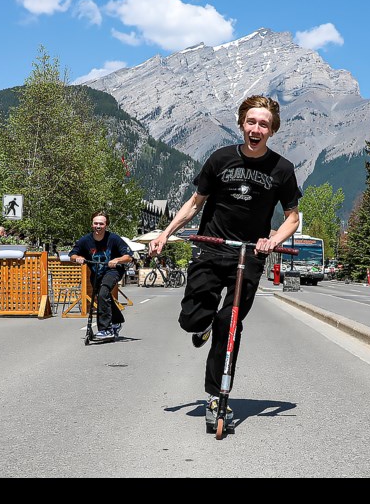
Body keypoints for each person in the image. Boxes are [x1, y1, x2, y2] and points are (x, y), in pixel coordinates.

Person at [148, 94, 301, 429]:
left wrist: (273, 240)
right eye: (251, 122)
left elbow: (293, 218)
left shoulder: (282, 170)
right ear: (241, 124)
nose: (256, 128)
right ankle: (199, 325)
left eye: (263, 123)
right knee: (191, 319)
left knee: (229, 324)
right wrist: (165, 233)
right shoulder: (220, 159)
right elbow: (195, 202)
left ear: (271, 129)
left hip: (249, 255)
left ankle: (218, 396)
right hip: (210, 247)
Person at [69, 210, 133, 341]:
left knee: (104, 292)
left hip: (113, 271)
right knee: (102, 296)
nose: (98, 226)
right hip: (96, 272)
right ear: (92, 224)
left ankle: (105, 329)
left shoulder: (114, 239)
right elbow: (72, 255)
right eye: (96, 223)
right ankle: (116, 321)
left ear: (106, 225)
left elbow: (128, 257)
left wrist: (117, 260)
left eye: (101, 224)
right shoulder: (85, 240)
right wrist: (78, 258)